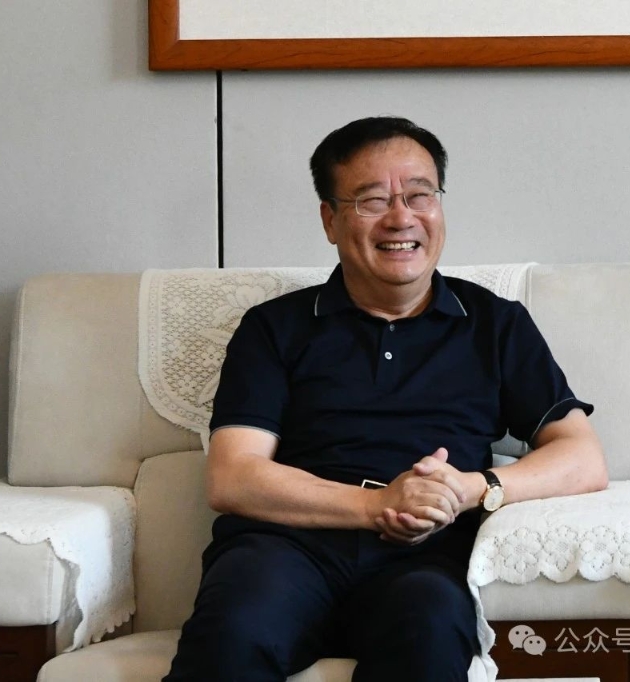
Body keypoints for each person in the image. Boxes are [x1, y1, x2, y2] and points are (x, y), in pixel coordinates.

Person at [162, 116, 607, 682]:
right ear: (330, 219)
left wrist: (473, 488)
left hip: (428, 556)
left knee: (429, 627)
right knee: (234, 631)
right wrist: (377, 506)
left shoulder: (495, 324)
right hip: (286, 551)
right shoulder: (274, 327)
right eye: (372, 200)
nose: (402, 218)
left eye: (420, 195)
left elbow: (583, 457)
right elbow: (232, 477)